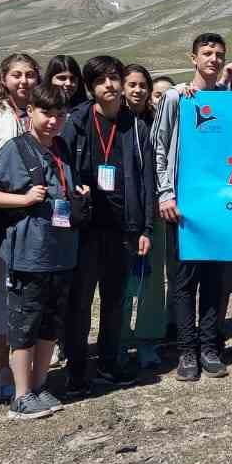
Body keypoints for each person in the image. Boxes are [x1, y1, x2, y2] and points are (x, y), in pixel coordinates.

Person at [0, 83, 82, 414]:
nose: (53, 121)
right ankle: (21, 395)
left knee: (51, 322)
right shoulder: (15, 149)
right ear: (31, 114)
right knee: (24, 323)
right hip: (29, 253)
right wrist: (23, 199)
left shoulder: (62, 148)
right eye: (46, 113)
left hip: (61, 250)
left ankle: (39, 386)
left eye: (59, 114)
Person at [61, 56, 154, 388]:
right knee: (80, 302)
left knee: (115, 300)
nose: (109, 85)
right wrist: (73, 192)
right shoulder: (77, 122)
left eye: (114, 78)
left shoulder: (135, 126)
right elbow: (62, 166)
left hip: (122, 227)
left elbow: (146, 181)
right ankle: (76, 370)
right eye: (101, 81)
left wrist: (145, 228)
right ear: (91, 88)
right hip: (85, 227)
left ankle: (110, 362)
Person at [154, 32, 232, 382]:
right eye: (206, 53)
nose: (213, 59)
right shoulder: (175, 98)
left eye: (218, 54)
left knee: (215, 280)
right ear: (193, 58)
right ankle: (187, 351)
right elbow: (160, 148)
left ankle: (209, 346)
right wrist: (165, 194)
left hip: (220, 206)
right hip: (182, 205)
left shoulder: (229, 100)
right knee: (183, 281)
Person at [0, 52, 41, 405]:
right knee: (3, 294)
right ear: (4, 78)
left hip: (37, 215)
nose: (24, 81)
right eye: (17, 75)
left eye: (30, 75)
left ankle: (27, 368)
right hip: (2, 215)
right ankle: (3, 370)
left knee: (31, 292)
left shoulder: (40, 111)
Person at [120, 64, 170, 370]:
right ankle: (121, 338)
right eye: (132, 84)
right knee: (124, 280)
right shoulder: (115, 123)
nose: (137, 90)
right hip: (124, 216)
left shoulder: (156, 121)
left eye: (143, 85)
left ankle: (149, 340)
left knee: (153, 281)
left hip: (155, 213)